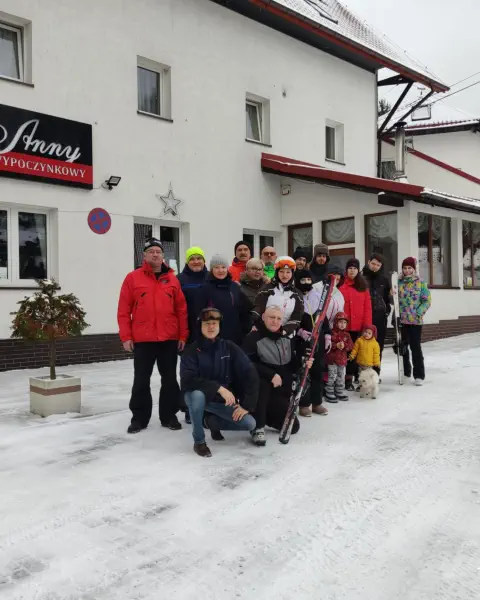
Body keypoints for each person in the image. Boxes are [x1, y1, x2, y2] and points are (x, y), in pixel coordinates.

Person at [118, 238, 188, 434]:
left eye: (158, 251)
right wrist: (126, 336)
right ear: (144, 255)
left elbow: (181, 310)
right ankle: (139, 418)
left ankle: (169, 416)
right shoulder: (133, 278)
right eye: (151, 251)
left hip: (169, 338)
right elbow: (123, 310)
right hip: (143, 339)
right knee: (141, 380)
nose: (155, 254)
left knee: (170, 380)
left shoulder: (172, 279)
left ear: (163, 255)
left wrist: (183, 335)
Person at [181, 308, 258, 457]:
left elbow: (250, 371)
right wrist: (219, 388)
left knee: (250, 423)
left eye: (214, 323)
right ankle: (199, 442)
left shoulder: (228, 347)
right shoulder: (191, 351)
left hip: (220, 400)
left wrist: (248, 404)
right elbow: (187, 380)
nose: (211, 327)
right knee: (197, 395)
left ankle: (210, 422)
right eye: (207, 324)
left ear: (219, 326)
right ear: (200, 326)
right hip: (196, 397)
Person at [243, 306, 309, 445]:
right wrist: (271, 374)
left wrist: (305, 363)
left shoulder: (286, 339)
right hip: (259, 393)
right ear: (263, 318)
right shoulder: (253, 338)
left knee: (293, 427)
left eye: (278, 318)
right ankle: (258, 427)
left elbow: (293, 365)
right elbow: (247, 364)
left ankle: (258, 416)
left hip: (279, 394)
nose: (275, 321)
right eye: (272, 317)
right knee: (263, 382)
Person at [294, 269, 330, 416]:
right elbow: (291, 319)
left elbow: (324, 318)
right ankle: (304, 404)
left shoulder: (318, 297)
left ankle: (317, 402)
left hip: (318, 339)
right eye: (303, 280)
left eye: (309, 280)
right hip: (303, 341)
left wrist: (327, 336)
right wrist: (299, 331)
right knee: (304, 371)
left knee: (318, 371)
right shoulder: (295, 297)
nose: (306, 283)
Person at [196, 255, 251, 345]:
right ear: (212, 270)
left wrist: (245, 329)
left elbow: (245, 311)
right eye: (216, 267)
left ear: (227, 269)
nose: (220, 270)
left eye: (223, 267)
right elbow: (198, 315)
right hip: (213, 338)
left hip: (235, 338)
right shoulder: (204, 289)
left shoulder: (234, 287)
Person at [339, 258, 372, 390]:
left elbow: (367, 308)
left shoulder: (363, 287)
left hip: (359, 327)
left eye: (354, 268)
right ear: (346, 270)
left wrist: (367, 326)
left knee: (357, 353)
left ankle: (355, 377)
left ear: (358, 270)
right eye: (350, 268)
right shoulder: (341, 286)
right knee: (345, 354)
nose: (352, 271)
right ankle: (345, 379)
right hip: (344, 326)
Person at [398, 257, 431, 386]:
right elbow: (393, 299)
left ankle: (419, 375)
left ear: (414, 269)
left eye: (409, 268)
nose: (407, 270)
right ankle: (406, 371)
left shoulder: (420, 283)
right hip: (402, 320)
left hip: (415, 321)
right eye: (405, 268)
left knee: (415, 347)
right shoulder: (399, 282)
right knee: (403, 347)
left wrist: (418, 313)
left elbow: (426, 301)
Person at [253, 256, 304, 336]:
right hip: (264, 333)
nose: (285, 275)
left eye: (288, 272)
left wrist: (284, 331)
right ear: (277, 272)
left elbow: (297, 317)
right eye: (281, 271)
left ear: (292, 273)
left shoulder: (297, 294)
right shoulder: (266, 289)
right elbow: (258, 310)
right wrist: (260, 327)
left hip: (286, 336)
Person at [362, 253, 391, 361]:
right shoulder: (361, 278)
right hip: (365, 316)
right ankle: (363, 369)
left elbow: (387, 299)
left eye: (378, 265)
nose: (375, 267)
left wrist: (386, 311)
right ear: (368, 262)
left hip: (380, 316)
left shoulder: (384, 280)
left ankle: (376, 369)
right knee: (364, 345)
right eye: (373, 264)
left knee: (378, 345)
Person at [177, 246, 208, 342]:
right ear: (187, 262)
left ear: (204, 261)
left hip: (209, 326)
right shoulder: (179, 279)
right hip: (188, 328)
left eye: (199, 258)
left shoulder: (211, 277)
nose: (196, 261)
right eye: (192, 259)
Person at [325, 312, 353, 402]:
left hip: (342, 360)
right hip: (332, 360)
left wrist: (344, 345)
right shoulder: (331, 333)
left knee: (340, 376)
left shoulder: (347, 335)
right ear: (336, 322)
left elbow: (351, 346)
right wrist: (335, 345)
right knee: (331, 376)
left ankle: (339, 391)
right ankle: (329, 392)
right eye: (340, 322)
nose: (342, 324)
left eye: (345, 323)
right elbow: (327, 345)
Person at [314, 263, 345, 329]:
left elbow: (340, 312)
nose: (335, 281)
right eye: (334, 278)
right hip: (316, 326)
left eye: (338, 279)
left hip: (332, 329)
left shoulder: (339, 294)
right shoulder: (317, 287)